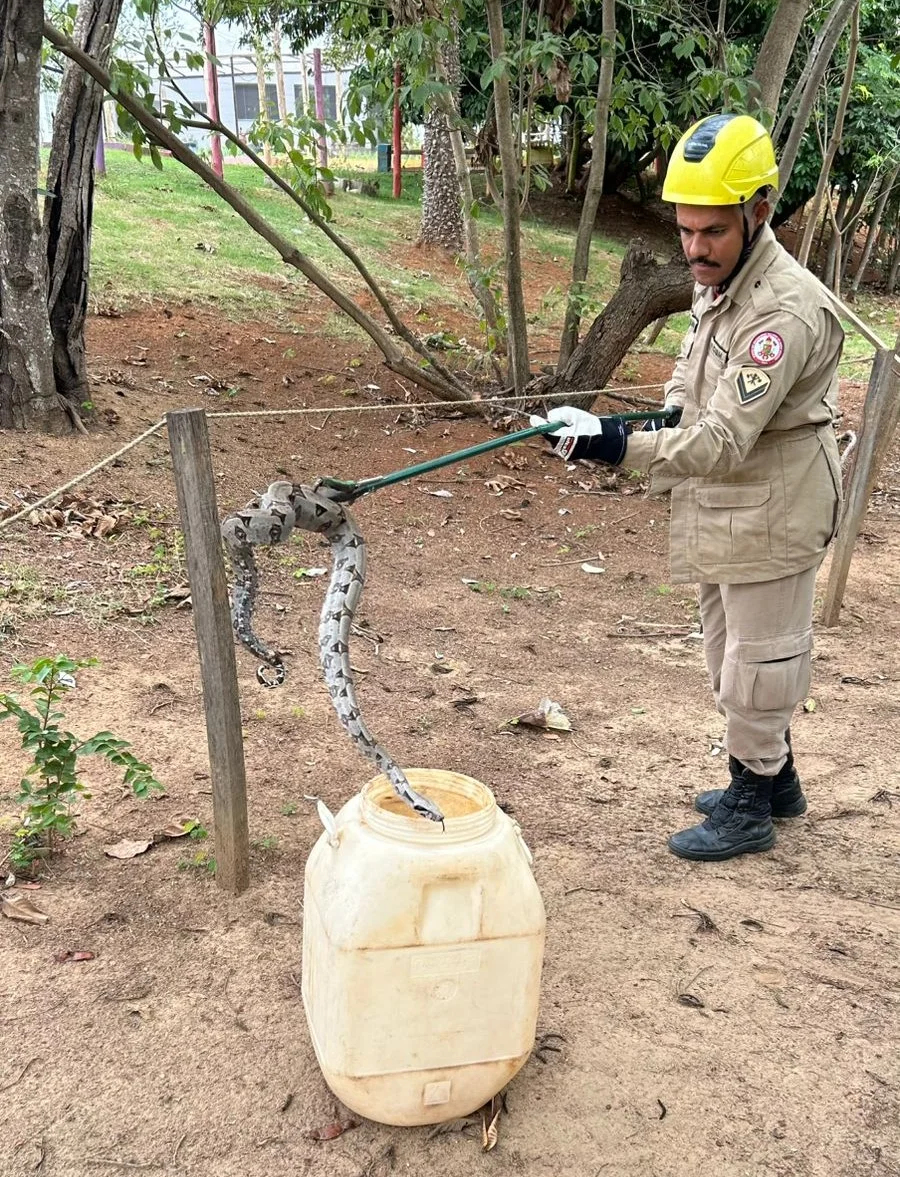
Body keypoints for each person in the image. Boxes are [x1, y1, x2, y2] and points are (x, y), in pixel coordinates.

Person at [532, 112, 844, 862]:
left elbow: (724, 435)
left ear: (759, 210)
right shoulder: (725, 279)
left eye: (711, 231)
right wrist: (618, 416)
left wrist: (609, 445)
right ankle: (777, 777)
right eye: (685, 229)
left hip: (774, 501)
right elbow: (692, 381)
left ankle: (751, 804)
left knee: (758, 659)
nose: (694, 248)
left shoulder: (783, 310)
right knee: (725, 648)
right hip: (730, 496)